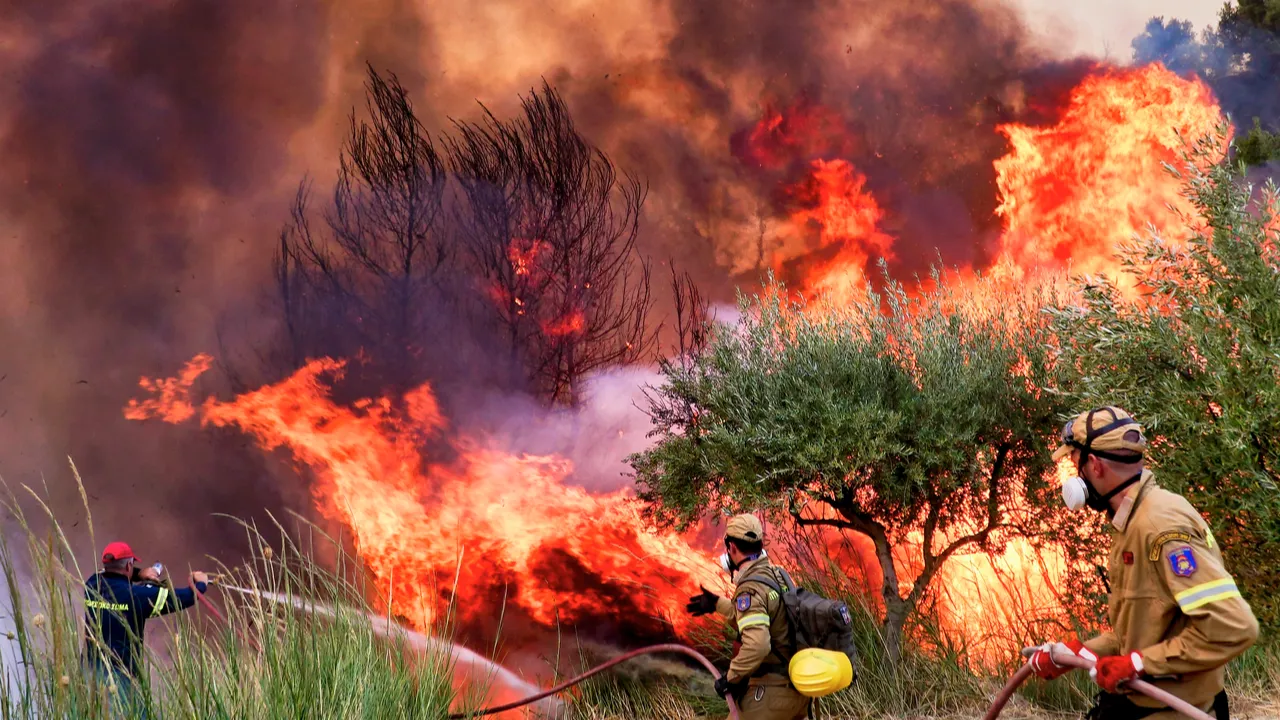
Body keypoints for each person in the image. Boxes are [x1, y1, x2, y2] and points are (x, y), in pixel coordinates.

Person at [1029, 407, 1259, 720]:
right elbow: (1147, 632)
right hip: (1143, 704)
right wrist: (1073, 654)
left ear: (1094, 466)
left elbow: (1233, 626)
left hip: (1172, 710)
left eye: (1074, 463)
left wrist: (1137, 663)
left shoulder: (1159, 526)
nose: (1073, 476)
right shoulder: (1133, 520)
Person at [685, 514, 811, 720]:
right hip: (798, 691)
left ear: (732, 547)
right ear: (760, 544)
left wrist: (731, 678)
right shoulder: (779, 575)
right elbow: (766, 618)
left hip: (771, 694)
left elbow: (758, 645)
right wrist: (717, 604)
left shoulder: (750, 589)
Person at [83, 541, 210, 714]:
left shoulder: (91, 584)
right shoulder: (138, 596)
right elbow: (184, 598)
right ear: (128, 565)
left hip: (89, 672)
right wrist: (201, 584)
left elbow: (107, 573)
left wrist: (139, 573)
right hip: (123, 679)